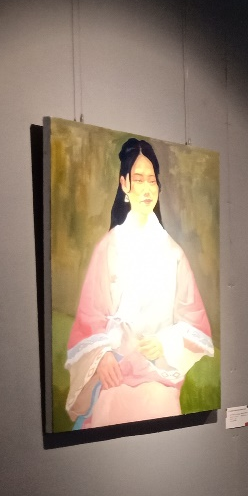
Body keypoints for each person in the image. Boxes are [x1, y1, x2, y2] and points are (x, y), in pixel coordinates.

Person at [65, 138, 215, 429]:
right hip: (115, 375)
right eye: (138, 179)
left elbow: (194, 322)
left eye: (152, 180)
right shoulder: (109, 247)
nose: (147, 188)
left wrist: (164, 343)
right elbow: (90, 316)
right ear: (124, 184)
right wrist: (103, 356)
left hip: (157, 376)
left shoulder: (174, 254)